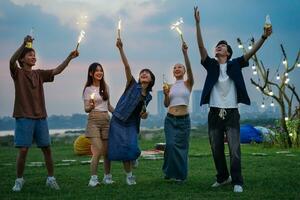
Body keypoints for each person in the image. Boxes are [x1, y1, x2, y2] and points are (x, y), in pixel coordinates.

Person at [194, 6, 272, 192]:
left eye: (222, 46)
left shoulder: (235, 64)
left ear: (228, 52)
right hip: (214, 112)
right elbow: (201, 48)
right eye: (217, 46)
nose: (218, 47)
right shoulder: (211, 65)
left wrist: (264, 36)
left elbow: (252, 52)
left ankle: (237, 181)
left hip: (231, 113)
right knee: (216, 149)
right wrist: (197, 24)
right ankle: (223, 177)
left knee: (235, 150)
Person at [10, 35, 79, 192]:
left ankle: (51, 178)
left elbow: (57, 70)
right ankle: (19, 180)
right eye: (30, 55)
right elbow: (11, 61)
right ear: (22, 59)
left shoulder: (39, 74)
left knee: (47, 148)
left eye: (34, 55)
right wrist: (23, 45)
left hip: (41, 117)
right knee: (23, 150)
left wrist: (69, 57)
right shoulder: (17, 73)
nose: (34, 57)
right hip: (23, 117)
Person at [108, 38, 155, 185]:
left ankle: (135, 156)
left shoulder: (148, 96)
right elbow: (127, 66)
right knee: (123, 150)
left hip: (132, 124)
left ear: (151, 80)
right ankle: (129, 176)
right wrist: (121, 49)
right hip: (118, 120)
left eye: (147, 73)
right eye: (142, 73)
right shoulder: (131, 84)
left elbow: (143, 112)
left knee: (132, 148)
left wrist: (145, 114)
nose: (144, 74)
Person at [162, 41, 194, 182]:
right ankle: (168, 172)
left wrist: (185, 53)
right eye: (175, 68)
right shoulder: (170, 86)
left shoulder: (188, 83)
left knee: (181, 147)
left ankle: (180, 176)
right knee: (170, 145)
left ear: (184, 71)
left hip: (183, 120)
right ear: (173, 72)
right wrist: (165, 94)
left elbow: (190, 69)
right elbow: (166, 104)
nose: (177, 69)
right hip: (170, 119)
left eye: (180, 67)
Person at [83, 62, 115, 187]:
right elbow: (86, 109)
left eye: (101, 70)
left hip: (106, 120)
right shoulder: (88, 89)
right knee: (98, 151)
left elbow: (109, 106)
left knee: (107, 152)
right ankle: (93, 179)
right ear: (91, 73)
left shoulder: (105, 87)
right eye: (96, 70)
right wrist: (90, 106)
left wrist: (119, 114)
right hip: (94, 120)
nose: (99, 72)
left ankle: (107, 177)